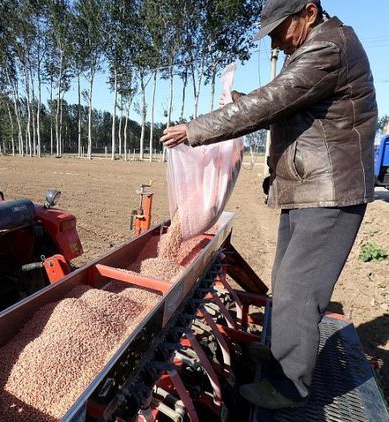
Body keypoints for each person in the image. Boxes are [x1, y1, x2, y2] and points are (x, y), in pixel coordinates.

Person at [161, 0, 376, 409]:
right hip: (307, 187)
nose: (275, 39)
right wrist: (238, 99)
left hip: (330, 190)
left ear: (309, 12)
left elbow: (273, 101)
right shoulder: (314, 49)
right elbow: (284, 104)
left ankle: (290, 386)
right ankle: (281, 355)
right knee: (284, 278)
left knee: (299, 288)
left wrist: (196, 129)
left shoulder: (327, 48)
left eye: (280, 28)